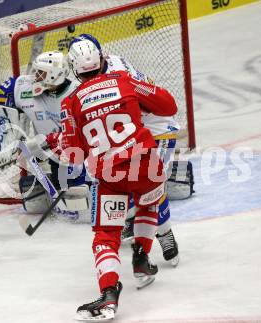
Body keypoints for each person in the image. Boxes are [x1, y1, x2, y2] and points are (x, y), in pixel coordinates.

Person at [59, 39, 178, 321]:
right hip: (145, 165)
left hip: (110, 175)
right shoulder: (124, 79)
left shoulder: (70, 102)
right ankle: (141, 260)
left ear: (74, 70)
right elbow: (168, 105)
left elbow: (73, 156)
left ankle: (109, 293)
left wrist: (62, 140)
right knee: (149, 205)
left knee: (106, 236)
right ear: (101, 61)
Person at [67, 34, 192, 266]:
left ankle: (165, 234)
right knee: (123, 181)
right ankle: (134, 223)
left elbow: (155, 102)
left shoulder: (119, 70)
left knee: (151, 186)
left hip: (155, 129)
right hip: (127, 134)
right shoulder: (91, 73)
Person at [0, 50, 90, 220]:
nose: (34, 76)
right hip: (50, 152)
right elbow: (7, 89)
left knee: (79, 202)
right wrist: (5, 110)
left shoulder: (79, 93)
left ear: (54, 75)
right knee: (41, 199)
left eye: (40, 72)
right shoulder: (25, 87)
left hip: (80, 156)